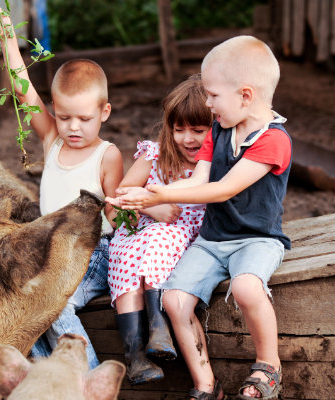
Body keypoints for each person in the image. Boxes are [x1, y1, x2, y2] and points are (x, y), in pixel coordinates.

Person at [107, 35, 291, 400]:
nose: (208, 104)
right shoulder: (220, 130)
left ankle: (269, 366)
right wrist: (150, 196)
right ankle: (206, 385)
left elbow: (222, 189)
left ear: (245, 95)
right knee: (174, 300)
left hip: (256, 238)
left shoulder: (274, 140)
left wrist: (158, 193)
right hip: (211, 239)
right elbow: (200, 178)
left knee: (245, 287)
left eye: (212, 95)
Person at [0, 3, 124, 370]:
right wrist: (8, 39)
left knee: (53, 302)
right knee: (21, 301)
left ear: (104, 113)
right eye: (64, 117)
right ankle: (49, 379)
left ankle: (87, 379)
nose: (73, 127)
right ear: (54, 110)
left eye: (84, 118)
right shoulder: (53, 140)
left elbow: (117, 213)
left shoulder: (107, 156)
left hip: (93, 251)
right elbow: (23, 89)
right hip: (49, 246)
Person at [107, 74, 212, 385]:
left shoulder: (212, 168)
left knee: (158, 237)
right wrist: (153, 207)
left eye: (198, 130)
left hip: (174, 242)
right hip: (134, 231)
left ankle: (158, 327)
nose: (188, 139)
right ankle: (136, 356)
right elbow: (117, 204)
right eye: (179, 130)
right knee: (125, 260)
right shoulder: (152, 156)